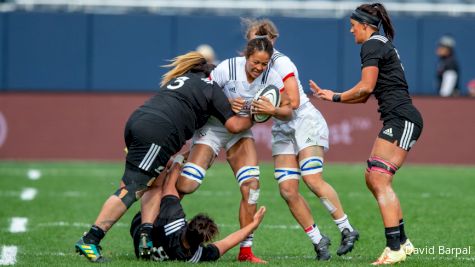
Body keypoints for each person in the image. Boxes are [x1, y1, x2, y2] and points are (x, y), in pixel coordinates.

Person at [74, 51, 254, 262]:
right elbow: (233, 125)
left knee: (155, 182)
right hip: (159, 131)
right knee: (132, 188)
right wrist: (256, 112)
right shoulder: (212, 88)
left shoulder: (183, 79)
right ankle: (91, 239)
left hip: (140, 120)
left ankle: (146, 234)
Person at [309, 3, 423, 265]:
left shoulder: (371, 44)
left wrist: (335, 95)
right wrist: (333, 97)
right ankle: (403, 242)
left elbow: (365, 87)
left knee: (380, 179)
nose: (351, 31)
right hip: (398, 117)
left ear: (364, 25)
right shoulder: (380, 43)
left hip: (402, 118)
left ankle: (394, 247)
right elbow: (363, 97)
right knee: (372, 177)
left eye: (352, 26)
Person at [243, 19, 359, 261]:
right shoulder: (250, 68)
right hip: (282, 127)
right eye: (254, 40)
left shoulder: (281, 62)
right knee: (287, 189)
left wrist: (264, 110)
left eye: (263, 38)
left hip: (304, 120)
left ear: (272, 40)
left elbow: (293, 104)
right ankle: (318, 240)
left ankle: (346, 228)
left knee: (312, 178)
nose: (260, 43)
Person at [175, 37, 293, 263]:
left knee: (252, 187)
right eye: (255, 62)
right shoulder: (226, 68)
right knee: (187, 184)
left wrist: (274, 109)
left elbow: (288, 110)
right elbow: (202, 95)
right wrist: (226, 103)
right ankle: (161, 225)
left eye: (264, 64)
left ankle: (245, 252)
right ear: (246, 56)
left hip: (240, 132)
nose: (259, 68)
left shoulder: (272, 78)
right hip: (212, 128)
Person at [130, 153, 267, 263]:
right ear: (203, 241)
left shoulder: (173, 222)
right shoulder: (198, 256)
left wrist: (178, 160)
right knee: (170, 197)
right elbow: (227, 243)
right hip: (145, 253)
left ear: (188, 223)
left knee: (161, 182)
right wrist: (253, 224)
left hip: (141, 228)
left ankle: (141, 158)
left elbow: (169, 185)